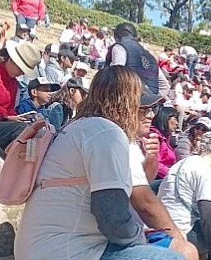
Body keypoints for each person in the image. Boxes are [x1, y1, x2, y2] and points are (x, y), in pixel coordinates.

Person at [15, 66, 197, 260]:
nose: (151, 115)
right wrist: (141, 240)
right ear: (124, 103)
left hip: (52, 246)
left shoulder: (85, 126)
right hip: (65, 251)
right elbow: (111, 215)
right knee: (171, 258)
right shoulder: (105, 133)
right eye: (144, 107)